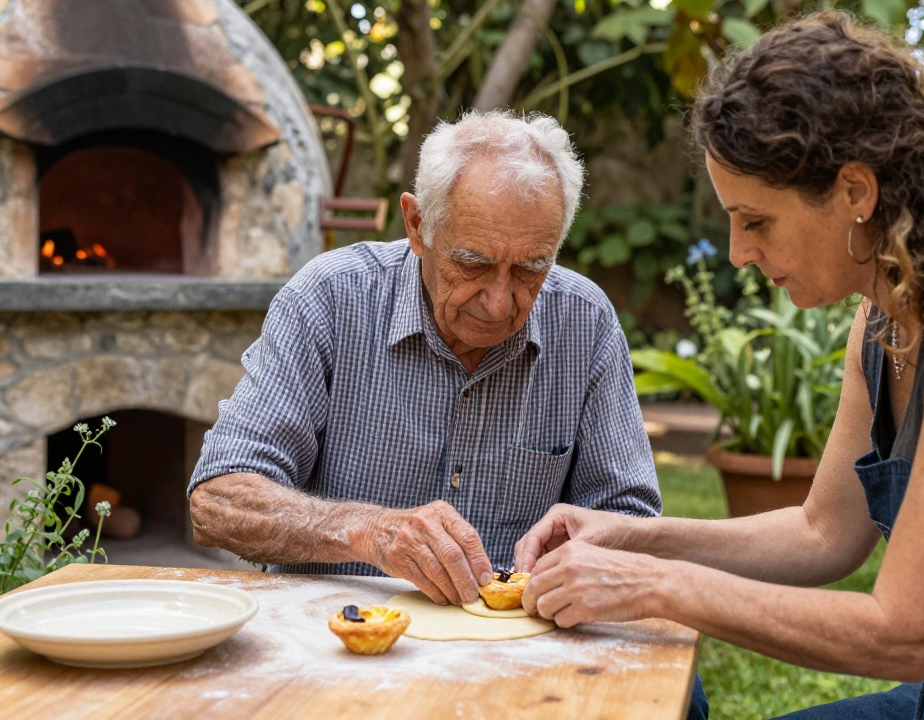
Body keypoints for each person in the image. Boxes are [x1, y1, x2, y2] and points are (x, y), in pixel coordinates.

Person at [515, 12, 924, 718]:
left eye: (755, 220)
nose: (737, 252)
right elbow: (824, 533)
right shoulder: (888, 310)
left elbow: (903, 633)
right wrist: (636, 537)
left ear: (856, 192)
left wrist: (654, 586)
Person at [186, 110, 662, 605]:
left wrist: (585, 552)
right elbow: (217, 500)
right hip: (336, 634)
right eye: (472, 263)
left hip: (517, 639)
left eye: (530, 269)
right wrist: (366, 531)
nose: (499, 302)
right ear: (417, 225)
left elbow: (632, 522)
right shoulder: (330, 298)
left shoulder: (584, 322)